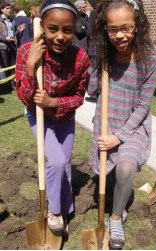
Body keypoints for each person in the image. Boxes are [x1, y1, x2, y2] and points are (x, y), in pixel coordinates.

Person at [87, 0, 156, 249]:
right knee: (108, 172)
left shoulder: (150, 60)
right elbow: (92, 91)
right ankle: (114, 198)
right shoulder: (103, 53)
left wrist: (119, 137)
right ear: (104, 29)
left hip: (133, 125)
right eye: (112, 29)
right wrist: (97, 66)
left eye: (126, 28)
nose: (119, 35)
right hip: (107, 119)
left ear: (136, 25)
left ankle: (116, 217)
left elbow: (142, 107)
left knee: (126, 168)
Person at [16, 0, 90, 233]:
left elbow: (79, 97)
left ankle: (66, 210)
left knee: (64, 165)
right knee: (57, 161)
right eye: (53, 29)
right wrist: (30, 66)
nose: (60, 36)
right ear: (42, 27)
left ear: (74, 29)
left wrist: (54, 101)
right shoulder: (27, 51)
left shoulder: (80, 57)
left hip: (65, 117)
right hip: (38, 117)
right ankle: (55, 211)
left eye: (67, 30)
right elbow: (24, 96)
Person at [0, 2, 16, 92]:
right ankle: (5, 87)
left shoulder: (12, 20)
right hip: (3, 47)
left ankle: (12, 85)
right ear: (2, 10)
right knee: (5, 67)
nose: (9, 10)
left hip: (12, 45)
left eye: (10, 8)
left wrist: (18, 31)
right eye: (7, 8)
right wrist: (5, 38)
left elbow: (13, 32)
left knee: (13, 66)